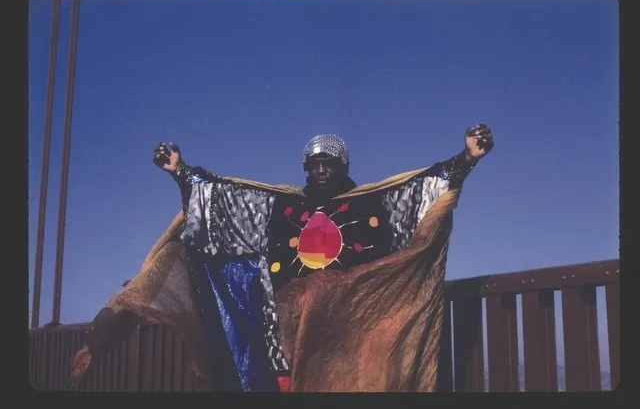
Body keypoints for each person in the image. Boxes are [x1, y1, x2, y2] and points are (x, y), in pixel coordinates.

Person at [71, 124, 494, 392]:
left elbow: (420, 193)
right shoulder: (278, 207)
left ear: (343, 166)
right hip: (283, 329)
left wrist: (466, 159)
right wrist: (181, 172)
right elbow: (224, 199)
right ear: (305, 168)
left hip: (343, 330)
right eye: (314, 163)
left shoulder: (372, 205)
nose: (321, 169)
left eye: (330, 162)